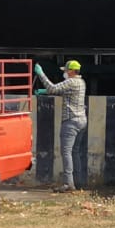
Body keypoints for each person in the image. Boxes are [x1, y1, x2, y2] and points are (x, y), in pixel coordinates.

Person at [34, 59, 87, 192]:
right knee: (75, 152)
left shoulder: (71, 81)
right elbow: (63, 92)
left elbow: (53, 89)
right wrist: (44, 91)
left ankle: (68, 184)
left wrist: (41, 74)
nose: (65, 73)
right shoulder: (81, 82)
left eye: (65, 71)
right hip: (81, 120)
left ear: (71, 71)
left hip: (71, 121)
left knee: (66, 152)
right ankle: (78, 182)